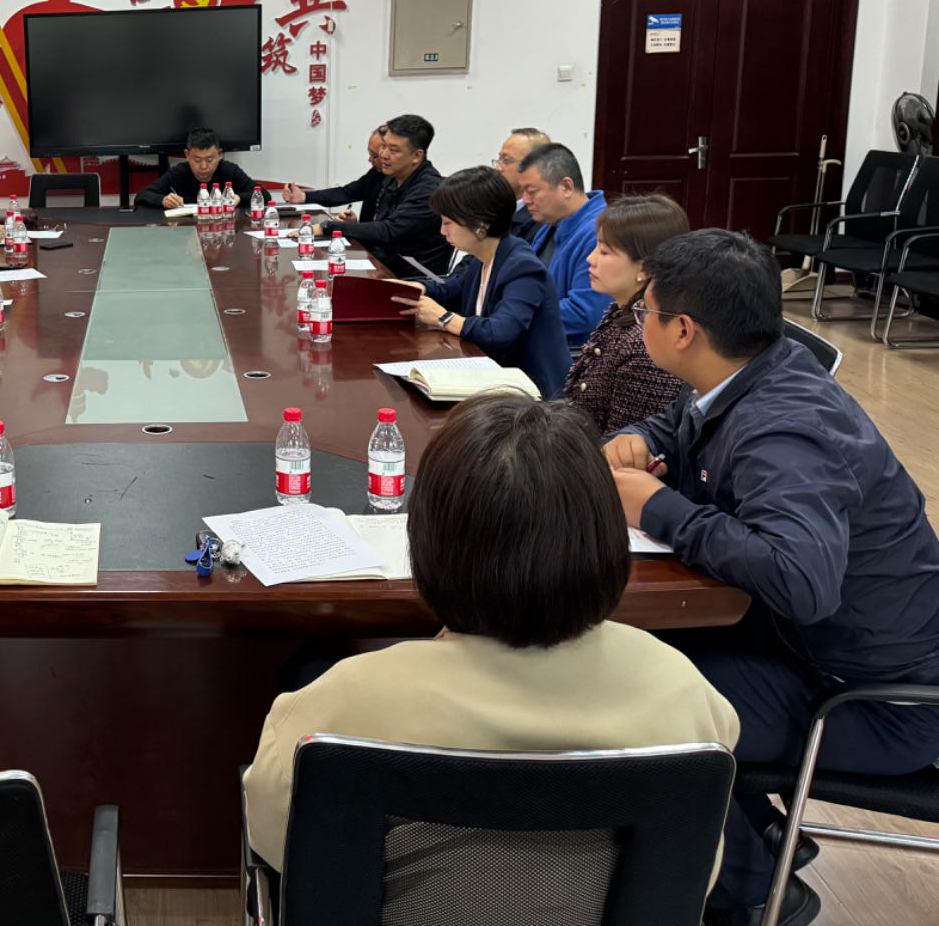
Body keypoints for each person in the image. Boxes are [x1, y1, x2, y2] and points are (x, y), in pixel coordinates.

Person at [245, 393, 738, 881]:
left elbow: (276, 843)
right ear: (606, 538)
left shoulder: (337, 710)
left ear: (427, 543)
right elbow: (692, 873)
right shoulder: (686, 695)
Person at [605, 230, 939, 926]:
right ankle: (756, 834)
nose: (641, 324)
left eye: (647, 312)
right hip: (807, 649)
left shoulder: (786, 429)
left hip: (874, 702)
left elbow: (801, 579)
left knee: (634, 702)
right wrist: (641, 440)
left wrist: (659, 507)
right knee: (626, 653)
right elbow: (680, 423)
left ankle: (757, 892)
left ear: (684, 330)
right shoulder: (755, 365)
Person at [394, 166, 571, 397]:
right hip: (492, 379)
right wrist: (417, 288)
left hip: (534, 396)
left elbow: (501, 332)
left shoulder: (523, 267)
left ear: (481, 225)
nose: (442, 231)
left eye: (448, 223)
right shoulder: (481, 258)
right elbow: (451, 290)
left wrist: (443, 318)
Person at [563, 194, 690, 434]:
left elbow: (621, 443)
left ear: (645, 267)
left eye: (604, 252)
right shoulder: (622, 311)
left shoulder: (645, 343)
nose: (590, 259)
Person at [316, 113, 451, 277]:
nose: (384, 155)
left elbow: (388, 231)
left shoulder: (429, 190)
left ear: (417, 156)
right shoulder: (392, 176)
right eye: (384, 146)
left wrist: (328, 227)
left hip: (412, 279)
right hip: (381, 265)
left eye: (393, 150)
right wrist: (354, 226)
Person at [517, 142, 611, 344]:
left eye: (531, 191)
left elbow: (584, 313)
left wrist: (514, 313)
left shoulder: (599, 232)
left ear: (567, 187)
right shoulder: (552, 224)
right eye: (523, 191)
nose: (525, 200)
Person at [280, 124, 386, 222]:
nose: (369, 159)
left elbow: (385, 229)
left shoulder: (395, 185)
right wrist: (303, 196)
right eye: (369, 153)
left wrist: (351, 227)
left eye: (374, 156)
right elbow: (345, 193)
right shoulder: (376, 174)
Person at [134, 126, 257, 209]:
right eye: (197, 160)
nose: (204, 167)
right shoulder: (178, 173)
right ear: (187, 155)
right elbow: (141, 196)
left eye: (210, 160)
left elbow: (262, 194)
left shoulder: (230, 171)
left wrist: (238, 198)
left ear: (219, 154)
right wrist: (163, 200)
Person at [495, 127, 550, 243]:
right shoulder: (495, 208)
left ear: (535, 166)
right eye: (499, 160)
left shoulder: (543, 221)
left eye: (506, 160)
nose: (498, 168)